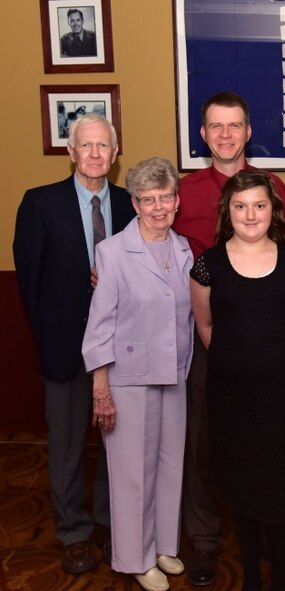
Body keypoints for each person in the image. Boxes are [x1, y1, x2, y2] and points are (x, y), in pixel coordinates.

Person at [172, 91, 285, 585]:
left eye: (235, 126)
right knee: (208, 444)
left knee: (271, 447)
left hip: (269, 342)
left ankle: (273, 538)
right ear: (203, 134)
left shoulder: (276, 188)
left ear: (249, 132)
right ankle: (206, 542)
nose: (226, 134)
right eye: (215, 126)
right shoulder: (183, 191)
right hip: (209, 340)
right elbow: (151, 234)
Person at [13, 114, 133, 575]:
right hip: (64, 348)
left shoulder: (129, 204)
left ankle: (107, 520)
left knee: (115, 443)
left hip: (122, 349)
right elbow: (31, 283)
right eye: (87, 145)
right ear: (71, 152)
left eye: (104, 146)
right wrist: (49, 340)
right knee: (65, 447)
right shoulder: (40, 204)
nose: (96, 154)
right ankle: (73, 532)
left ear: (116, 153)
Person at [190, 169, 285, 591]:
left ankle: (279, 574)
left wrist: (267, 359)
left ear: (272, 210)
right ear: (228, 211)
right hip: (230, 394)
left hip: (281, 395)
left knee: (278, 483)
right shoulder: (207, 265)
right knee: (239, 483)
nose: (250, 214)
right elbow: (206, 328)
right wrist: (239, 359)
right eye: (240, 206)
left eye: (259, 205)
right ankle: (251, 578)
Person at [82, 157, 192, 591]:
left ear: (177, 201)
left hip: (175, 373)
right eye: (148, 200)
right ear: (135, 203)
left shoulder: (184, 249)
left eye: (166, 197)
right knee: (132, 473)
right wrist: (100, 387)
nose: (159, 208)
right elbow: (100, 324)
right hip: (127, 378)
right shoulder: (112, 253)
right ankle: (135, 557)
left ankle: (164, 546)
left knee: (170, 465)